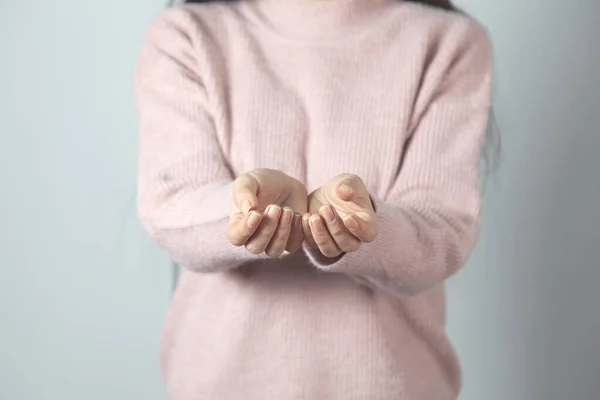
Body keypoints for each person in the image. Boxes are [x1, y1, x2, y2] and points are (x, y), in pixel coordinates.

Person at [134, 0, 493, 398]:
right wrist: (245, 210)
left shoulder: (447, 45)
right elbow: (171, 203)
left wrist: (363, 226)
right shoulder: (187, 35)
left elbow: (441, 231)